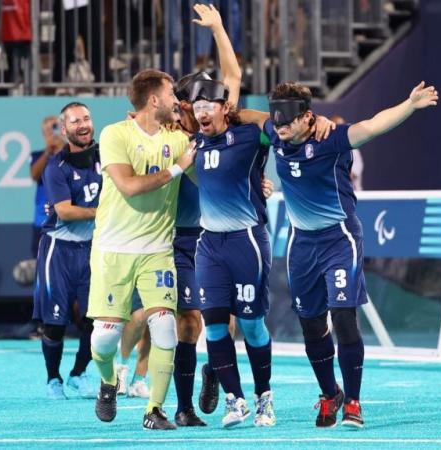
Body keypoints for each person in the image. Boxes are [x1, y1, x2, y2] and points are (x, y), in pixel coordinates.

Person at [240, 80, 438, 428]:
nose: (281, 128)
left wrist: (410, 105)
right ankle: (330, 394)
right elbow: (246, 116)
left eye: (288, 121)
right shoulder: (277, 131)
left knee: (344, 317)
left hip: (338, 239)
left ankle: (354, 401)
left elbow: (373, 125)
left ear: (308, 117)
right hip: (301, 243)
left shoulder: (330, 139)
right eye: (278, 121)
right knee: (312, 326)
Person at [88, 68, 196, 430]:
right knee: (104, 339)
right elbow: (130, 186)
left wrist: (255, 180)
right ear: (153, 99)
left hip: (157, 249)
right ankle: (107, 380)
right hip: (113, 249)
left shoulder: (178, 140)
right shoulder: (114, 133)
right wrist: (177, 171)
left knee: (165, 327)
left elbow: (210, 173)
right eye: (170, 95)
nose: (176, 101)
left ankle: (155, 408)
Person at [169, 3, 243, 427]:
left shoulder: (220, 123)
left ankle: (214, 371)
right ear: (182, 105)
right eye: (195, 101)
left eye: (208, 100)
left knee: (228, 319)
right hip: (183, 236)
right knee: (188, 322)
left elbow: (231, 76)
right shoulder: (172, 136)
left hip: (223, 233)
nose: (205, 106)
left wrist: (217, 28)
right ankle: (183, 407)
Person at [188, 78, 275, 428]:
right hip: (209, 245)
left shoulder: (250, 137)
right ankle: (234, 399)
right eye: (197, 108)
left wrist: (247, 114)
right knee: (213, 327)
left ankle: (264, 397)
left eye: (209, 105)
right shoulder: (194, 143)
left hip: (247, 241)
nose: (202, 113)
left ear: (225, 107)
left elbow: (279, 125)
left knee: (253, 325)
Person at [32, 101, 100, 400]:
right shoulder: (55, 167)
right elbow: (65, 211)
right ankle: (53, 379)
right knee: (55, 322)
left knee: (94, 318)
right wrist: (105, 211)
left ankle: (78, 373)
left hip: (92, 248)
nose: (83, 125)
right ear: (64, 129)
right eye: (75, 121)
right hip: (57, 250)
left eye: (86, 118)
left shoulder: (107, 157)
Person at [30, 116, 64, 256]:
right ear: (44, 134)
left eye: (55, 127)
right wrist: (47, 152)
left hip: (67, 220)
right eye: (49, 130)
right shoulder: (38, 155)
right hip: (42, 221)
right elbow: (34, 175)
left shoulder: (71, 154)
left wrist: (62, 149)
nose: (53, 133)